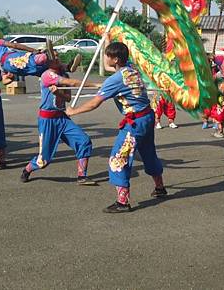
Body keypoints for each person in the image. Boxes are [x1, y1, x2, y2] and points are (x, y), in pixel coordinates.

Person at [66, 41, 167, 213]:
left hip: (134, 123)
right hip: (147, 117)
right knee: (149, 153)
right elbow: (116, 78)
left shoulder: (116, 79)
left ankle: (122, 202)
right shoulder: (132, 69)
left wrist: (73, 111)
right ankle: (160, 188)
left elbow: (94, 103)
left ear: (116, 59)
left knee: (118, 158)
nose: (105, 58)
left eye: (107, 56)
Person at [20, 56, 98, 185]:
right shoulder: (47, 75)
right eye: (54, 57)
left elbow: (67, 98)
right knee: (43, 160)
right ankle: (27, 169)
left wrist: (58, 93)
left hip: (62, 118)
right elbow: (73, 83)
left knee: (84, 141)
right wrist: (96, 85)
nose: (57, 58)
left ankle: (82, 176)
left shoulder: (63, 74)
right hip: (47, 120)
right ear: (48, 62)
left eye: (57, 56)